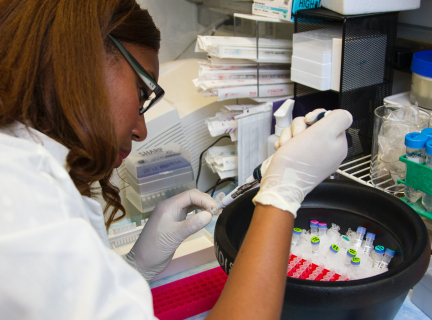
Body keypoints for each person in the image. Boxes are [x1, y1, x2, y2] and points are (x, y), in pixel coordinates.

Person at [0, 0, 352, 319]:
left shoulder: (26, 170)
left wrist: (133, 269)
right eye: (141, 94)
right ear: (77, 59)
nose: (141, 131)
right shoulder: (22, 200)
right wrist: (282, 194)